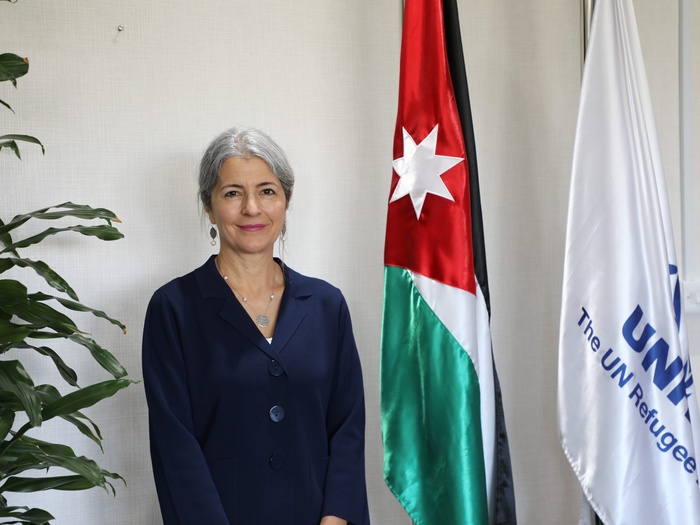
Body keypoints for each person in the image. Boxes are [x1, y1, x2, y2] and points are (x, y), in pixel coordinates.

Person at [142, 127, 370, 525]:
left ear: (286, 200)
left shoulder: (326, 305)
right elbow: (174, 445)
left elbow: (347, 427)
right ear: (209, 206)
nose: (252, 208)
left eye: (267, 191)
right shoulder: (173, 308)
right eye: (233, 193)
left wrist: (336, 518)